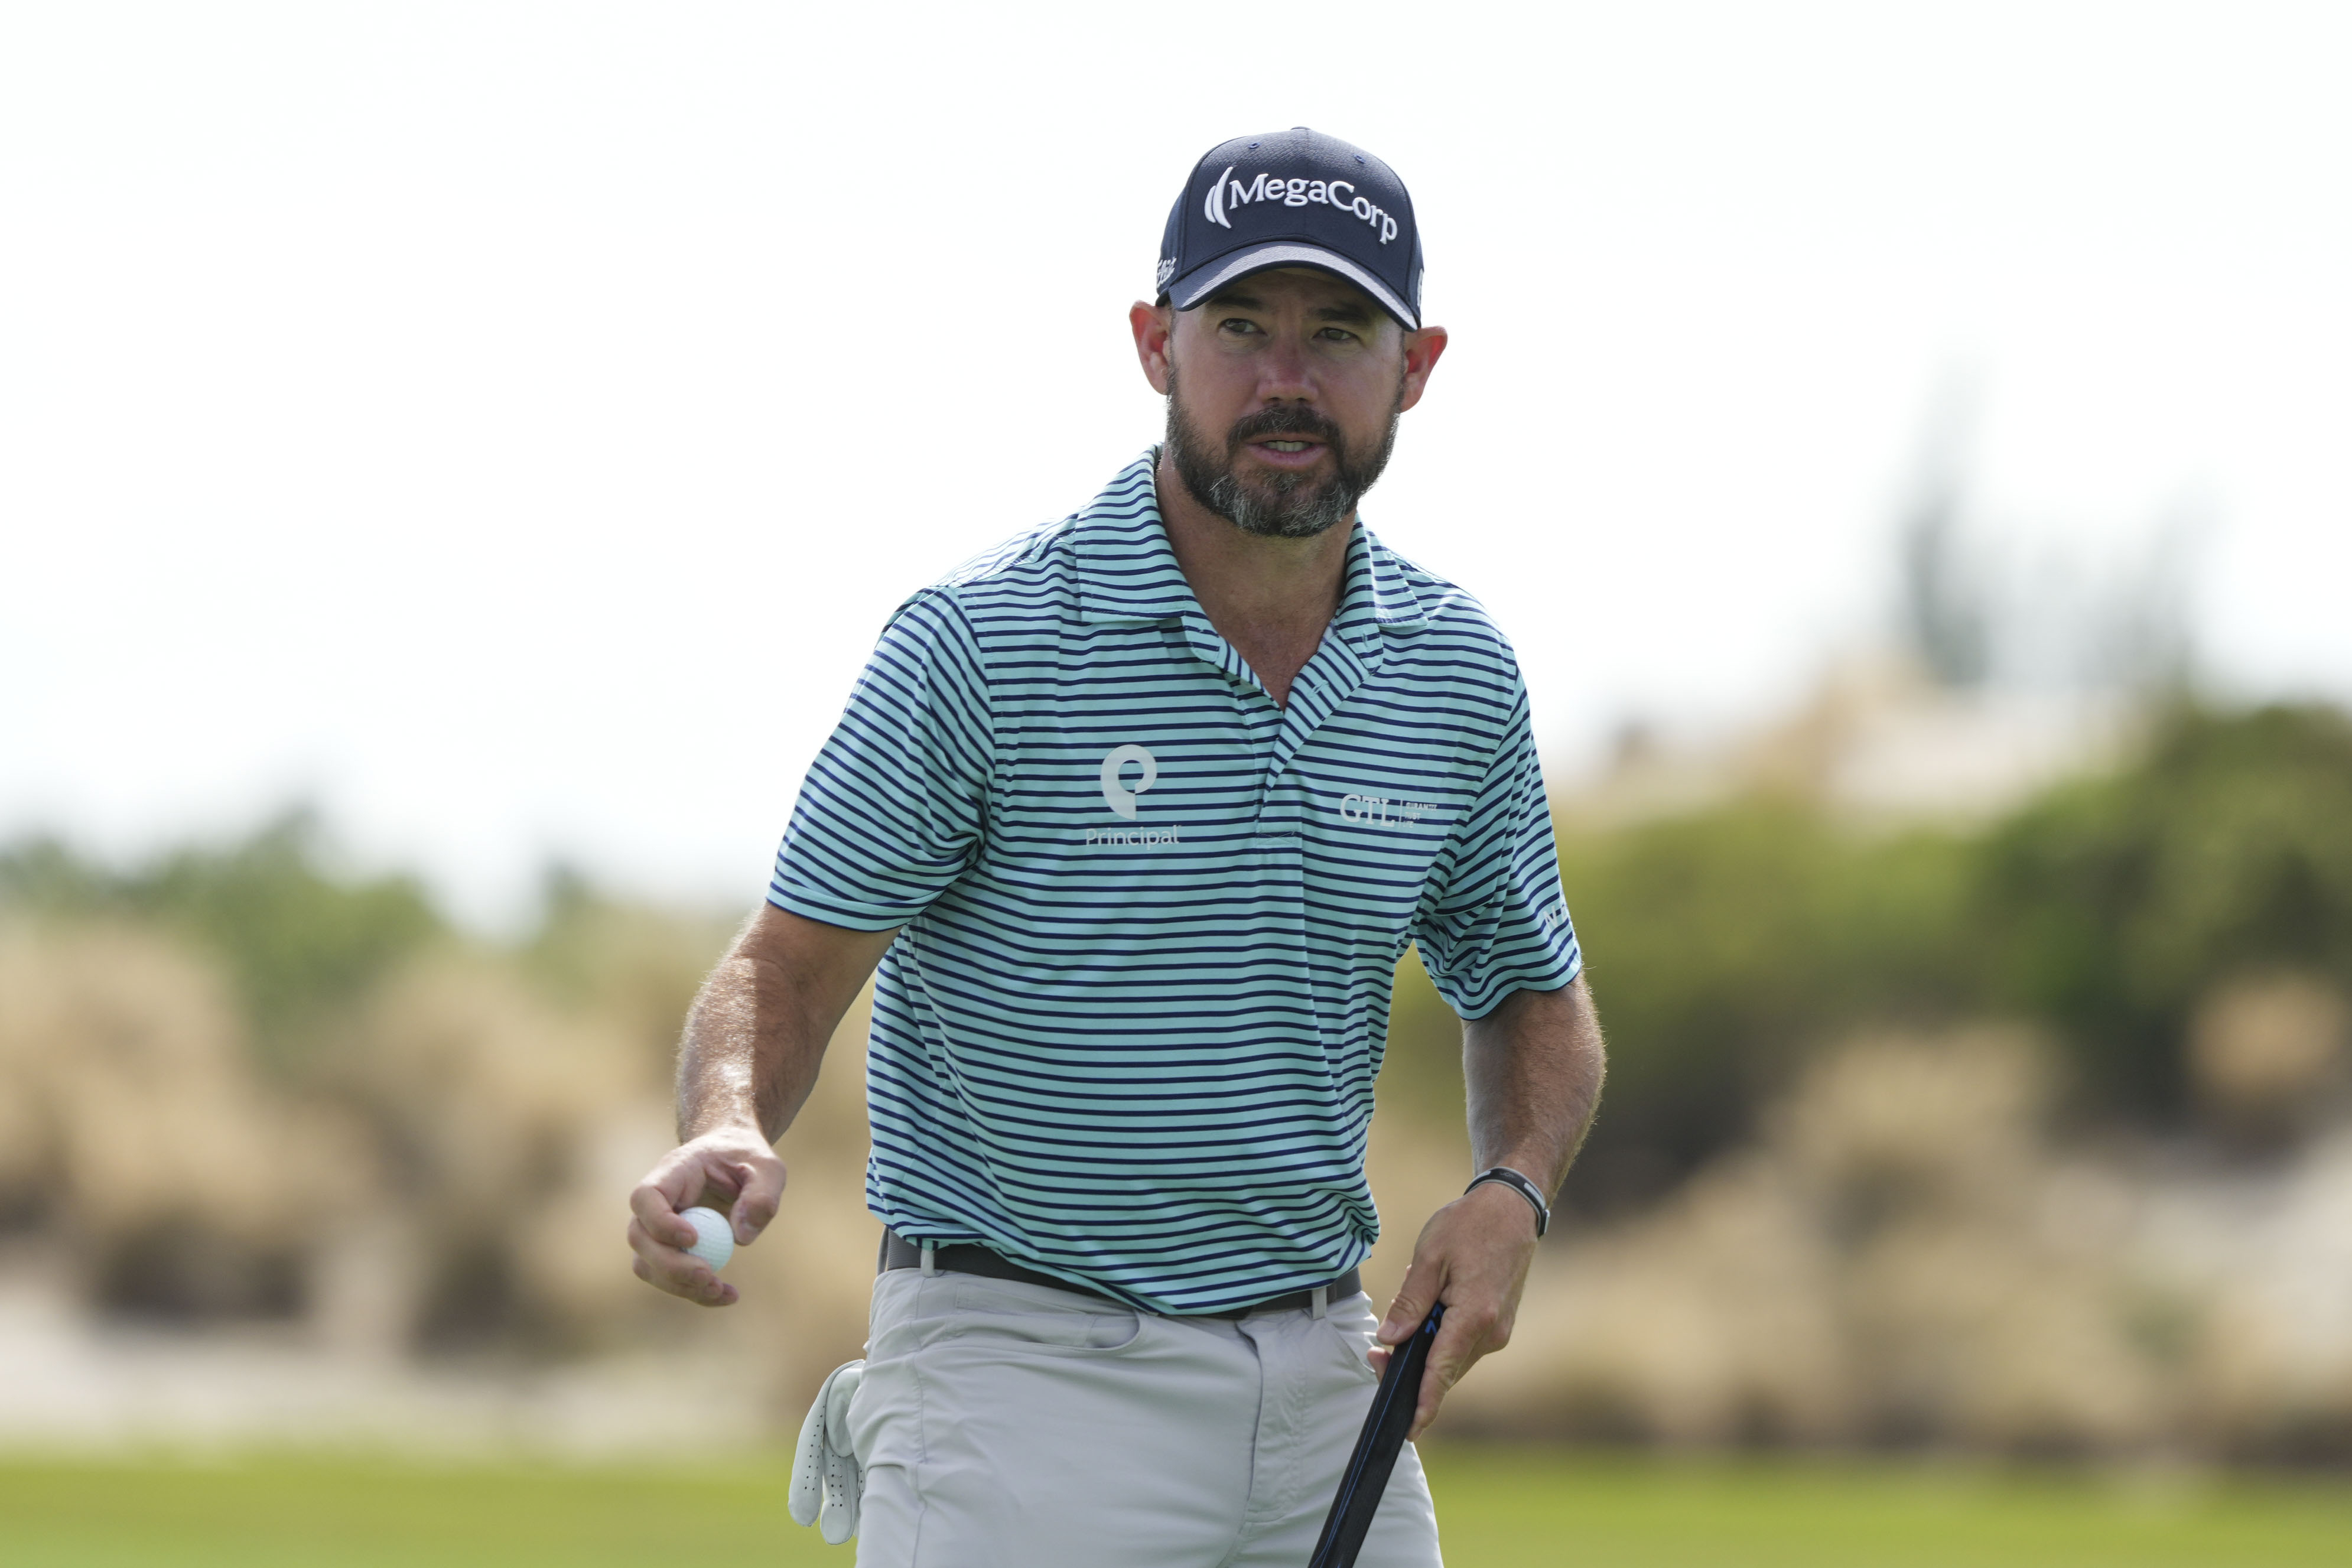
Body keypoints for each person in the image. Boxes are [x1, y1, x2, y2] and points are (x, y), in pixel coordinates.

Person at [627, 126, 1606, 1568]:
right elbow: (785, 965)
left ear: (1417, 366)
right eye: (1239, 327)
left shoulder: (1450, 672)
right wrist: (727, 1118)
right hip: (1022, 1374)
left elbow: (1530, 993)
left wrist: (1511, 1188)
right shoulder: (982, 640)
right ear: (1155, 345)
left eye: (1338, 333)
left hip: (1329, 1374)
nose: (1286, 378)